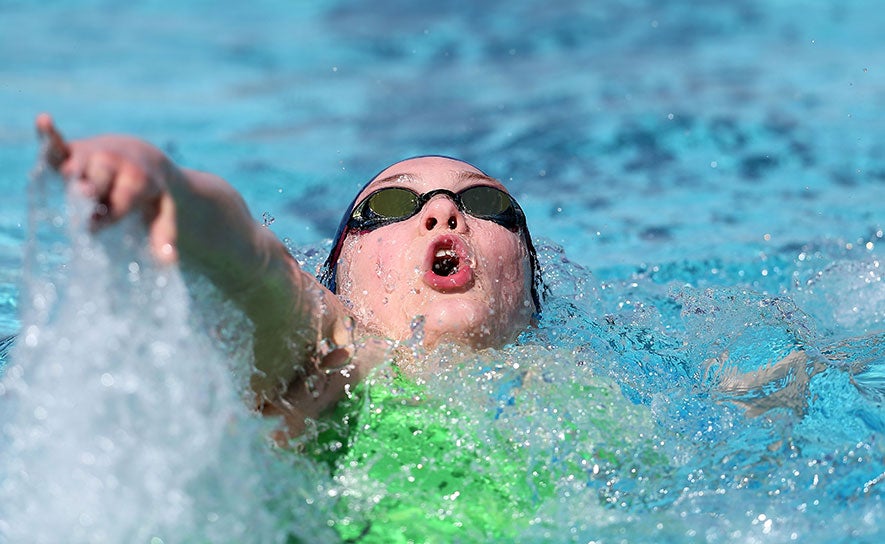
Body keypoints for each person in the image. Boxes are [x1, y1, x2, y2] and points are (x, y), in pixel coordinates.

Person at [35, 113, 542, 437]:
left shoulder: (593, 391)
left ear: (531, 282)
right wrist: (165, 183)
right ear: (339, 279)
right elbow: (257, 271)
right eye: (390, 205)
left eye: (485, 202)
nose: (441, 212)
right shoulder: (334, 367)